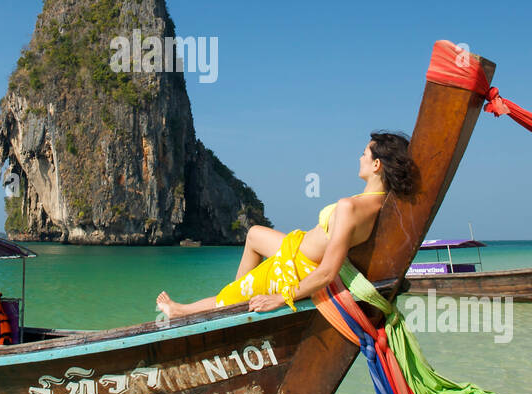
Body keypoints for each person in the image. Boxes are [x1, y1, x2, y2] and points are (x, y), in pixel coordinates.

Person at [156, 133, 417, 319]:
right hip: (296, 245)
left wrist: (282, 297)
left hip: (296, 265)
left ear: (376, 164)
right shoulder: (378, 204)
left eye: (364, 153)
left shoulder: (351, 207)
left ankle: (191, 309)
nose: (359, 158)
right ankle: (238, 296)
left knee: (234, 292)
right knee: (254, 234)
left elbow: (327, 272)